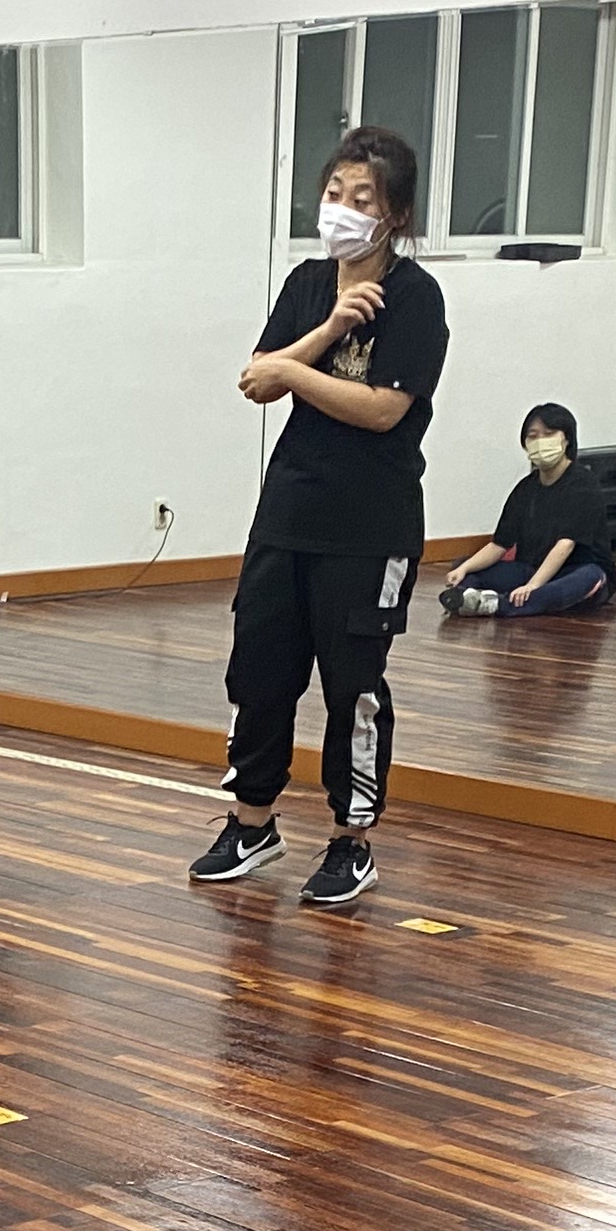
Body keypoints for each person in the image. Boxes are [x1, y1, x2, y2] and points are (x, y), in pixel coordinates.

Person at [189, 124, 450, 912]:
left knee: (352, 686)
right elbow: (257, 381)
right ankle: (252, 822)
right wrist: (331, 329)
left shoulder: (414, 298)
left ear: (394, 214)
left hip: (369, 526)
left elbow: (381, 409)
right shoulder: (308, 284)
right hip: (287, 512)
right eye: (334, 193)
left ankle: (351, 838)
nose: (341, 208)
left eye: (361, 199)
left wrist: (293, 371)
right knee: (260, 670)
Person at [437, 404, 616, 619]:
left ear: (566, 439)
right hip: (531, 568)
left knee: (588, 577)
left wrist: (533, 585)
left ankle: (498, 604)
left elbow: (565, 545)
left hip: (575, 570)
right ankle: (466, 597)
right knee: (466, 567)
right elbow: (499, 545)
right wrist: (464, 569)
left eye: (549, 434)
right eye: (533, 436)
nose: (540, 441)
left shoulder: (583, 484)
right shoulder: (525, 488)